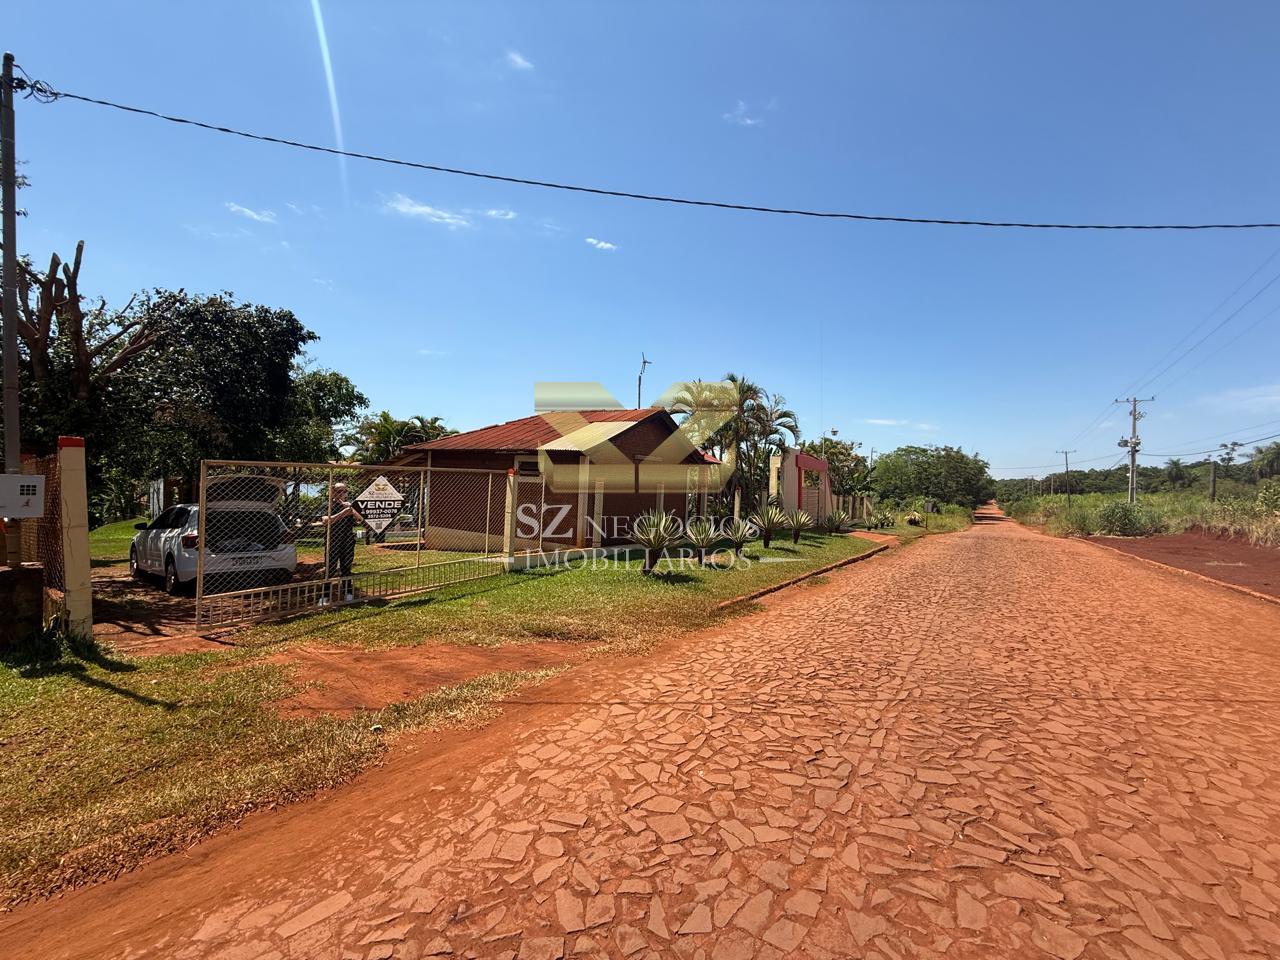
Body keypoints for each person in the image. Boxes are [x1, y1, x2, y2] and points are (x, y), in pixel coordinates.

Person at [320, 481, 363, 605]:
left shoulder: (350, 506)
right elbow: (326, 521)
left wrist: (350, 509)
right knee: (330, 569)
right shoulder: (327, 505)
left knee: (346, 568)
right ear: (333, 493)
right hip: (332, 541)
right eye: (339, 491)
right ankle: (325, 596)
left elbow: (360, 519)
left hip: (348, 541)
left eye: (344, 491)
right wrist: (342, 513)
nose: (342, 494)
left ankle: (348, 593)